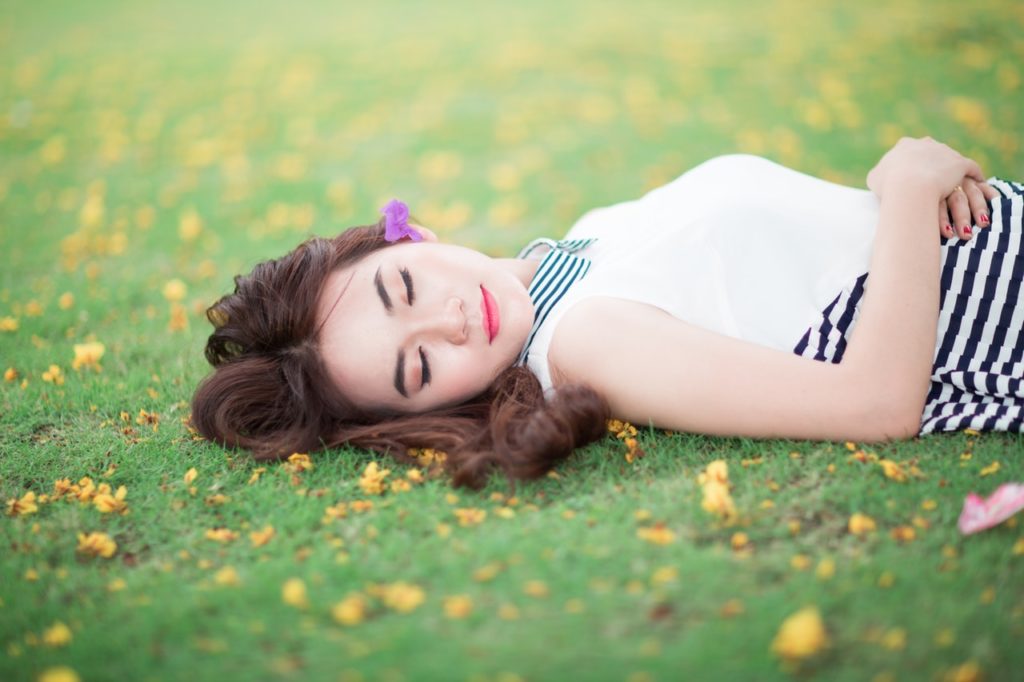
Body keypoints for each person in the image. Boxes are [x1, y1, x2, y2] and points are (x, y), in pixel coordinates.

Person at [191, 137, 1022, 489]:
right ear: (435, 406)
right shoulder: (586, 340)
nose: (449, 321)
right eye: (421, 367)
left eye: (404, 288)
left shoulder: (577, 245)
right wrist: (910, 190)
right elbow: (873, 407)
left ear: (408, 236)